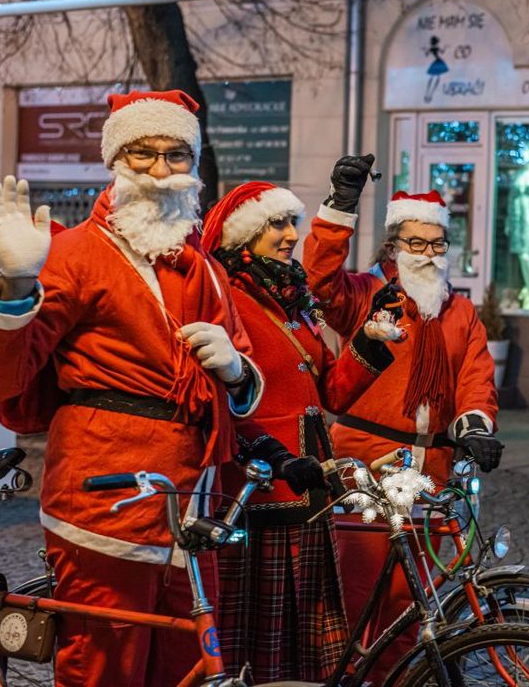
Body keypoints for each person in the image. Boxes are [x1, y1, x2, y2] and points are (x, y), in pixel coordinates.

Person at [0, 90, 263, 687]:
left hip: (193, 497)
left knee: (187, 664)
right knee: (105, 665)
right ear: (115, 161)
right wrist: (17, 285)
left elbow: (246, 373)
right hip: (107, 494)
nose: (160, 170)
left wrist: (235, 370)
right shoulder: (74, 255)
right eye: (142, 154)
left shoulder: (205, 266)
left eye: (176, 154)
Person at [302, 154, 501, 676]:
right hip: (365, 467)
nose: (429, 254)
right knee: (356, 605)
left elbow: (476, 377)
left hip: (431, 475)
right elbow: (318, 282)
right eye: (417, 243)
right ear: (393, 246)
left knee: (413, 610)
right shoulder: (368, 294)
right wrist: (338, 209)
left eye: (437, 244)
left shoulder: (458, 311)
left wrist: (474, 425)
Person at [201, 181, 400, 682]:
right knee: (258, 639)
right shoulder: (225, 296)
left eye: (293, 222)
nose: (291, 234)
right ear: (244, 236)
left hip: (311, 489)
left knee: (306, 641)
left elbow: (330, 390)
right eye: (277, 225)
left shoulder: (291, 299)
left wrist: (369, 341)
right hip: (261, 490)